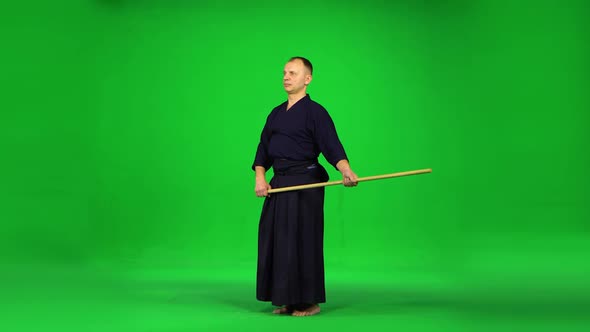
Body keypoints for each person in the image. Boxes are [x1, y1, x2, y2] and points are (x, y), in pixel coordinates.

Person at [252, 56, 358, 317]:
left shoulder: (316, 113)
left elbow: (332, 145)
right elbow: (263, 150)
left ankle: (309, 302)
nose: (286, 77)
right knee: (277, 240)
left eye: (293, 73)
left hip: (306, 182)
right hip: (279, 184)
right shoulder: (275, 113)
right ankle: (286, 299)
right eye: (285, 72)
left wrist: (345, 171)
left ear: (307, 79)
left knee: (303, 240)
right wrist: (260, 178)